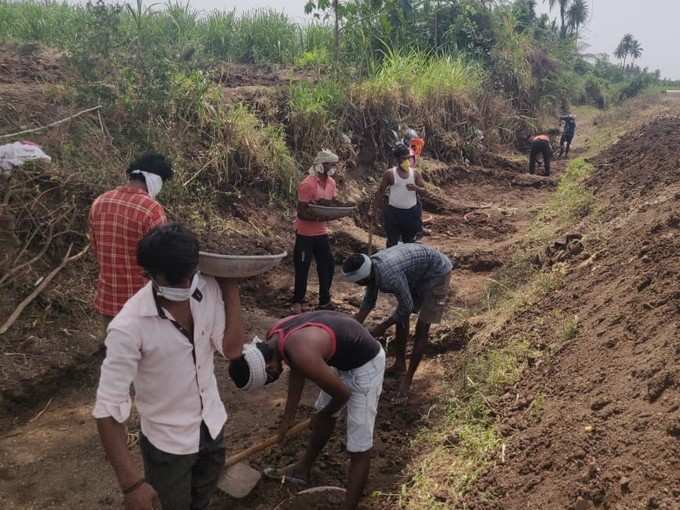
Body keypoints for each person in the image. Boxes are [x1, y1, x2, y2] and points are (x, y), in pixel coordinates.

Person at [93, 223, 246, 510]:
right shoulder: (128, 328)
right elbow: (108, 409)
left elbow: (232, 349)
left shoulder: (206, 289)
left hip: (212, 427)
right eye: (175, 281)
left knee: (202, 500)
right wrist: (132, 485)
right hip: (168, 445)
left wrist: (231, 289)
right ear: (148, 275)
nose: (186, 287)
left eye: (189, 277)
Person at [228, 310, 385, 510]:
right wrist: (288, 419)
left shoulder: (301, 352)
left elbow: (343, 394)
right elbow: (297, 369)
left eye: (268, 379)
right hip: (344, 356)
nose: (271, 381)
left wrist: (325, 414)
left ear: (266, 366)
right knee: (322, 412)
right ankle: (302, 470)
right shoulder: (275, 336)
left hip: (366, 364)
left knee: (358, 444)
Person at [342, 243, 454, 397]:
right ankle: (400, 365)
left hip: (437, 273)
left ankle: (408, 379)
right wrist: (351, 329)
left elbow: (406, 307)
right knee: (401, 318)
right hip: (417, 273)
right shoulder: (372, 268)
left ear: (364, 278)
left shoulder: (388, 276)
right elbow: (368, 301)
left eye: (357, 282)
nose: (357, 285)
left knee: (422, 327)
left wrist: (382, 327)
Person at [89, 152, 172, 325]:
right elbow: (161, 259)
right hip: (140, 304)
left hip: (108, 301)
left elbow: (96, 249)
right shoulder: (151, 209)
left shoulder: (99, 202)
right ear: (155, 180)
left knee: (113, 348)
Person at [292, 149, 341, 314]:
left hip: (321, 233)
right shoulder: (308, 184)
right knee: (302, 267)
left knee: (327, 265)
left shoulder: (332, 183)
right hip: (305, 234)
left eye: (334, 164)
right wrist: (319, 217)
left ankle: (324, 300)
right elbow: (301, 212)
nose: (333, 167)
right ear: (321, 165)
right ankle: (298, 302)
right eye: (330, 164)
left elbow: (331, 205)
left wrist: (335, 212)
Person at [374, 142, 427, 248]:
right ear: (397, 160)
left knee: (409, 242)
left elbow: (425, 191)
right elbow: (380, 192)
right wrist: (374, 210)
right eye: (403, 159)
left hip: (411, 213)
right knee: (392, 242)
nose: (406, 162)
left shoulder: (415, 174)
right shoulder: (390, 174)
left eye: (408, 158)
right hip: (393, 214)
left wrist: (415, 188)